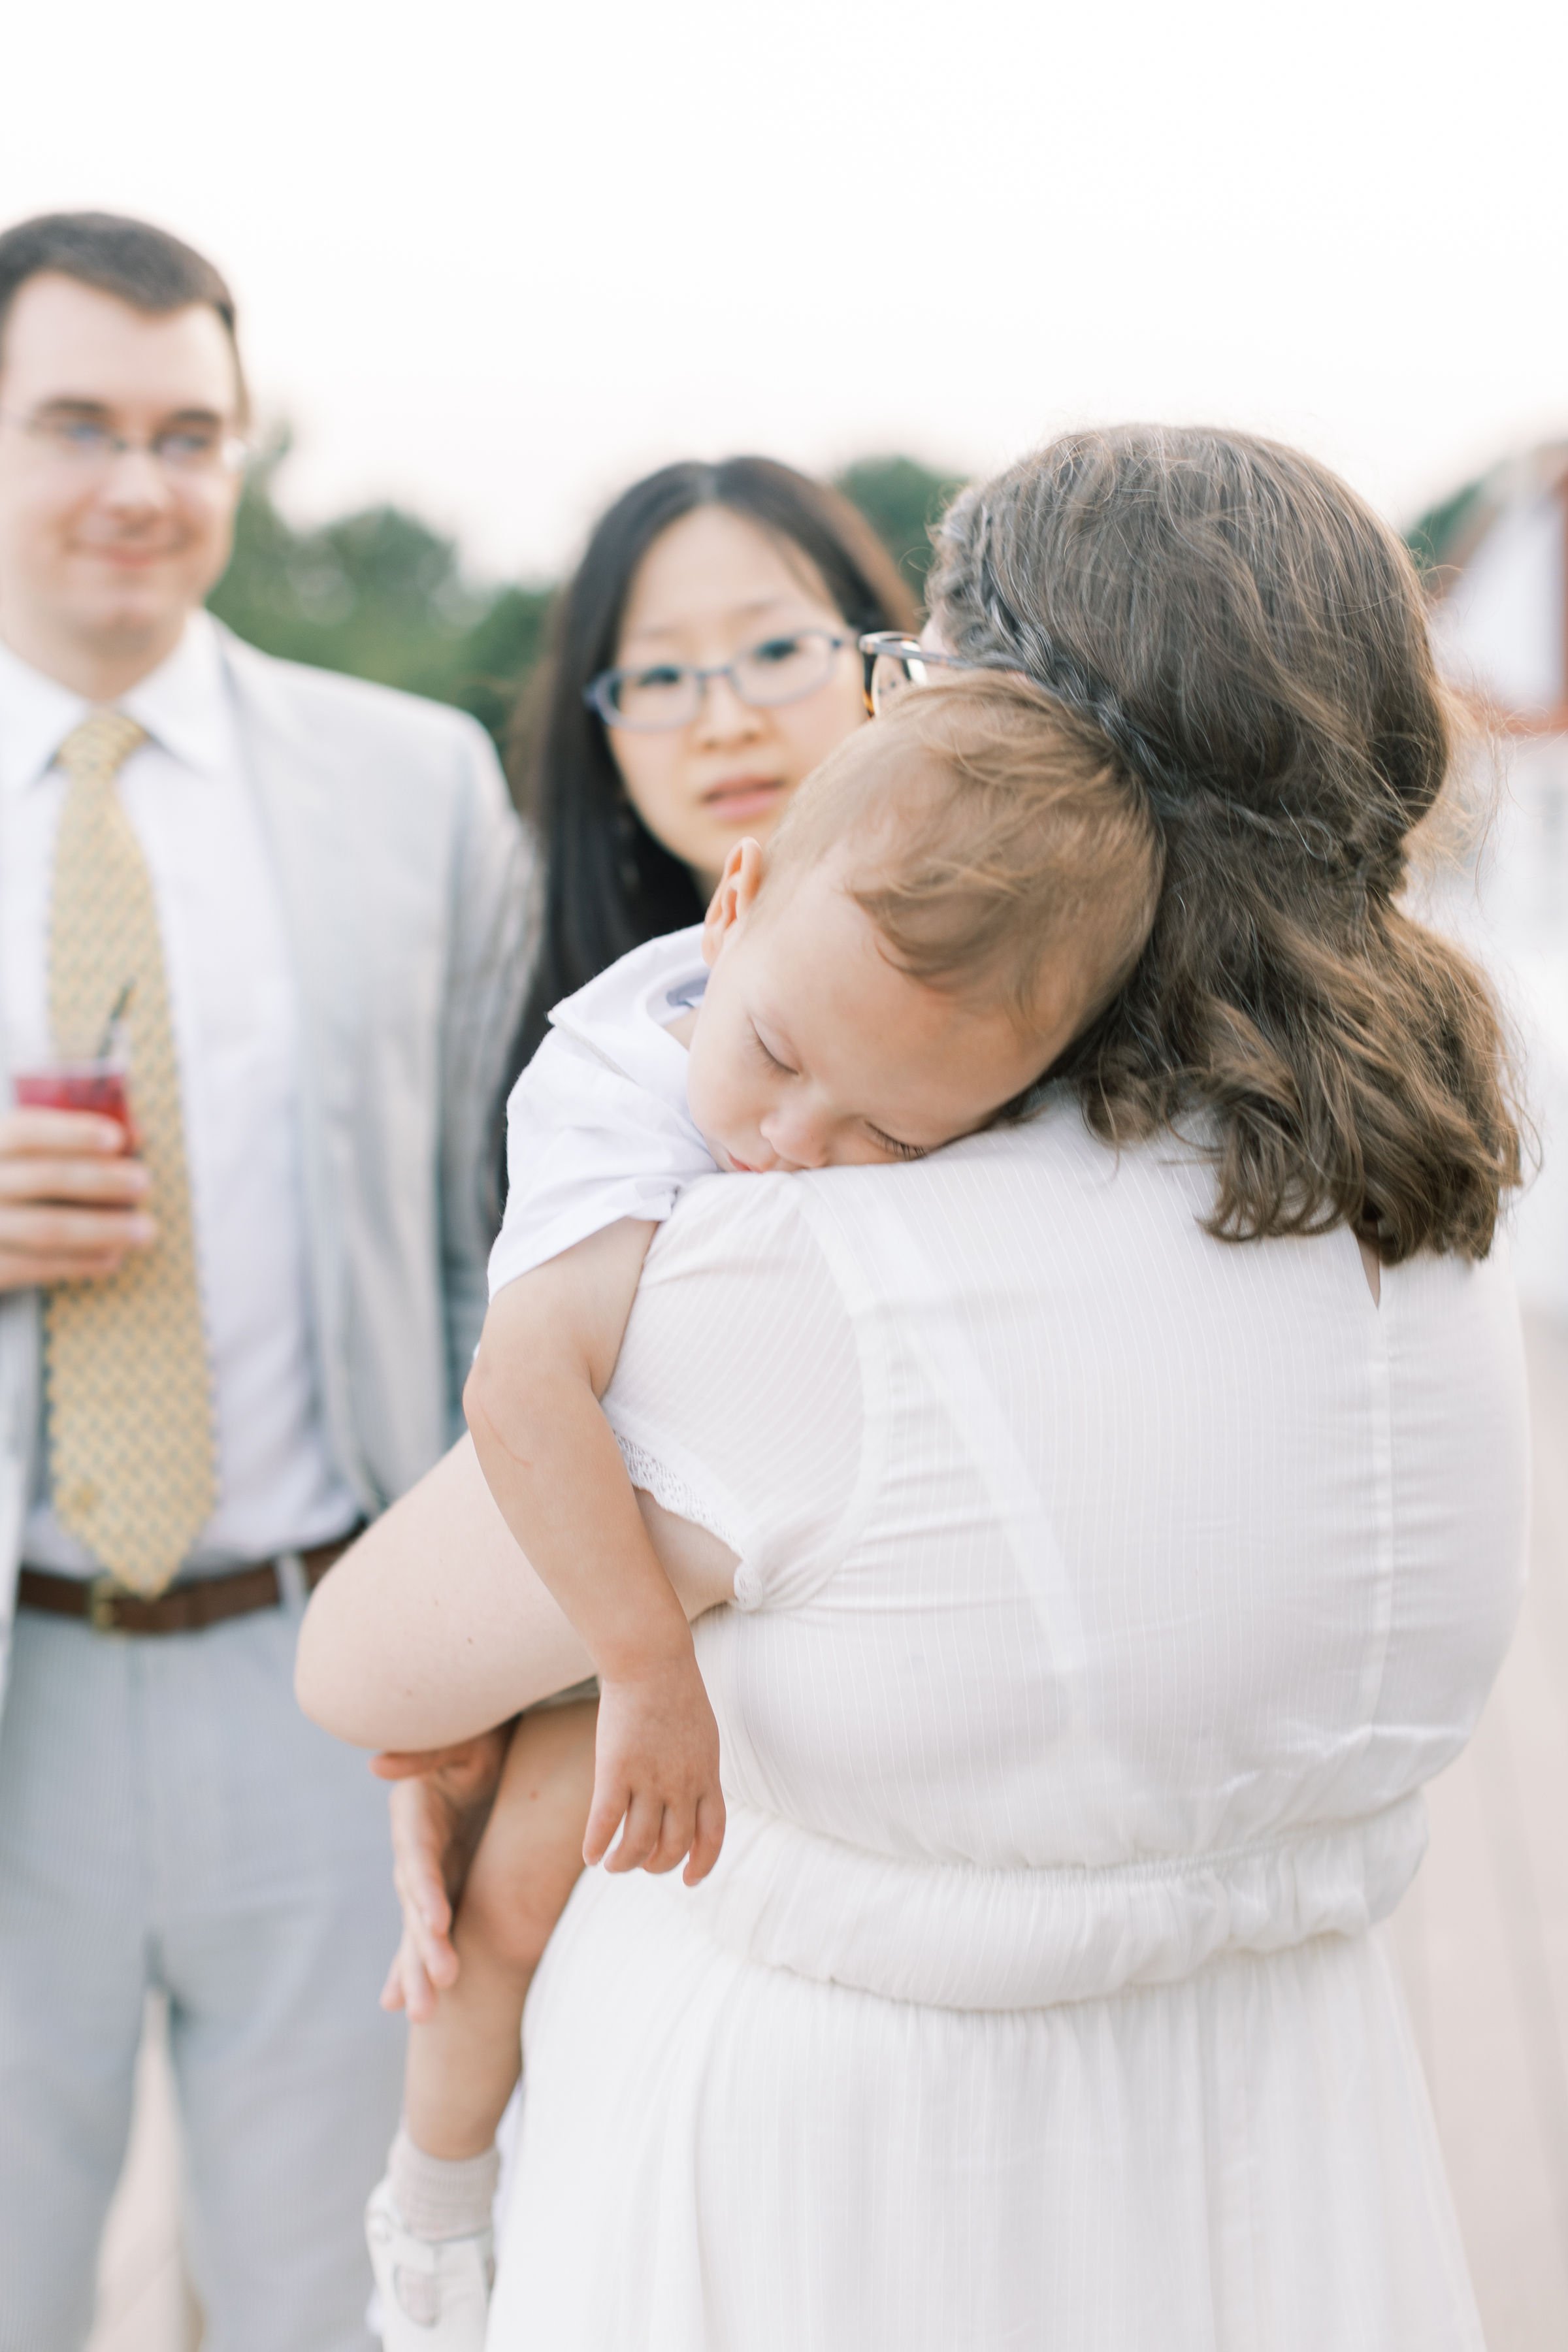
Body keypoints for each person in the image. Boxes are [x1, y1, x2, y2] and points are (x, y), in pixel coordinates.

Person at [299, 421, 1530, 2351]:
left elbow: (365, 1661)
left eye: (912, 680)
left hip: (839, 2222)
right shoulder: (1419, 1218)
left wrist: (561, 1669)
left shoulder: (828, 1270)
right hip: (1276, 2189)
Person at [364, 672, 1160, 2338]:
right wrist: (638, 1670)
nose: (790, 1143)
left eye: (889, 1135)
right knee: (511, 1893)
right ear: (733, 907)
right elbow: (521, 1392)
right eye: (780, 1058)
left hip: (719, 1559)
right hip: (594, 1563)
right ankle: (432, 2214)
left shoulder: (866, 1031)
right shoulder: (617, 1091)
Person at [0, 212, 529, 2351]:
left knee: (338, 2301)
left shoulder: (421, 790)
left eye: (189, 431)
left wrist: (493, 1676)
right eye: (76, 425)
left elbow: (499, 1249)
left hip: (329, 1685)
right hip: (18, 1688)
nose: (141, 481)